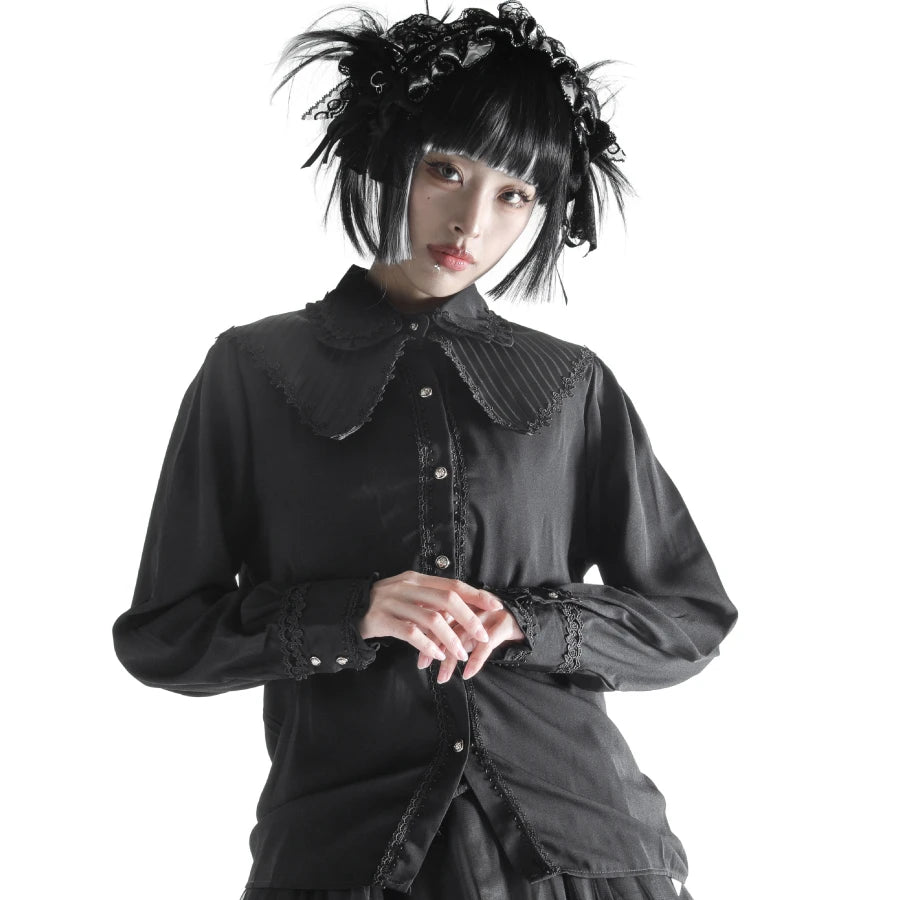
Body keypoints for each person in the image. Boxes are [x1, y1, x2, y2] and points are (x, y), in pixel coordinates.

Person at [111, 3, 738, 899]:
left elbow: (690, 617)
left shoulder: (572, 385)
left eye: (514, 194)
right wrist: (352, 613)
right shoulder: (252, 370)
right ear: (392, 155)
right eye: (447, 170)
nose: (472, 222)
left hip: (582, 852)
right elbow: (165, 637)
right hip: (344, 855)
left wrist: (529, 622)